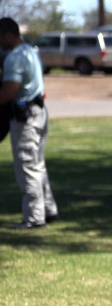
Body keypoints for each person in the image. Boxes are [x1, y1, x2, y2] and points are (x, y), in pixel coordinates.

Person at [0, 17, 57, 230]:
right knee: (38, 165)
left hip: (25, 119)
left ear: (7, 34)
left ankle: (34, 219)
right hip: (39, 112)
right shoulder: (29, 51)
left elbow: (9, 92)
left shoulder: (15, 57)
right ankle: (48, 210)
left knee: (27, 168)